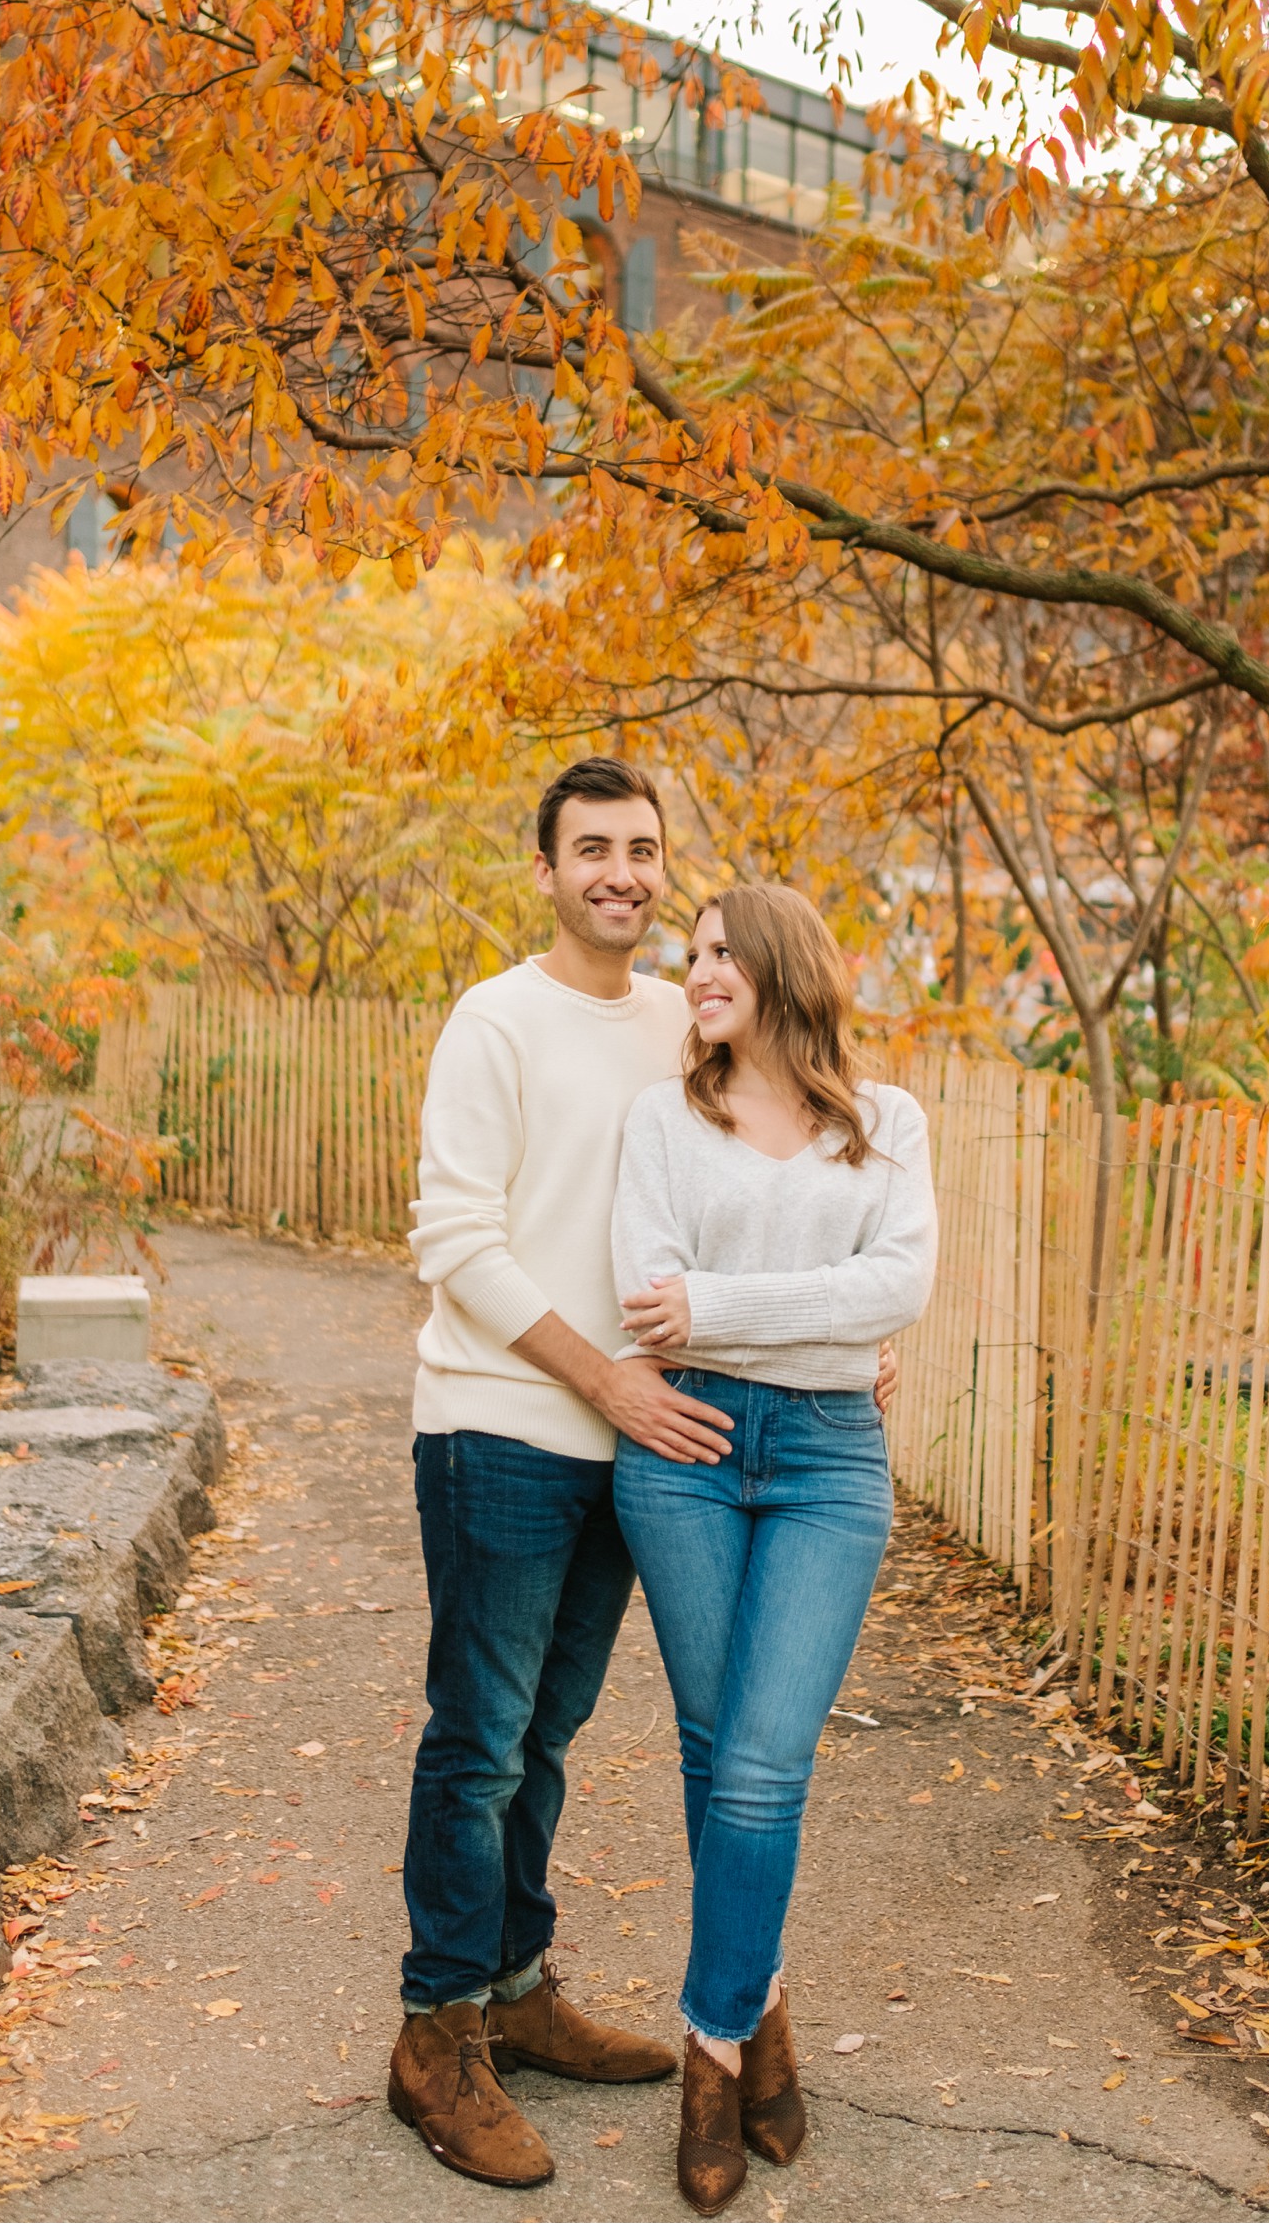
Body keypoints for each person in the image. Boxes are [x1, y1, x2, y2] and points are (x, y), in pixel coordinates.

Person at [388, 762, 897, 2191]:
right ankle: (438, 2029)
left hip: (646, 1436)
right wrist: (603, 1372)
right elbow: (457, 1239)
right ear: (546, 867)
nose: (620, 870)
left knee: (548, 1734)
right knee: (479, 1734)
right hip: (504, 1420)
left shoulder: (692, 1013)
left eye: (642, 849)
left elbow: (773, 1190)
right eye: (592, 847)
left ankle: (521, 1978)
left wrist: (841, 1340)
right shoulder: (497, 1020)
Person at [611, 881, 938, 2216]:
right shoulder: (662, 1120)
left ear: (782, 964)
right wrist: (811, 1327)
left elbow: (899, 1284)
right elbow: (652, 1307)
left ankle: (712, 2041)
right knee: (713, 1747)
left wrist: (727, 1306)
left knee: (759, 1759)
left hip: (826, 1467)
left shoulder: (888, 1124)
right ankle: (769, 2001)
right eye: (687, 956)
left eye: (715, 953)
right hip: (682, 1451)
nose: (692, 973)